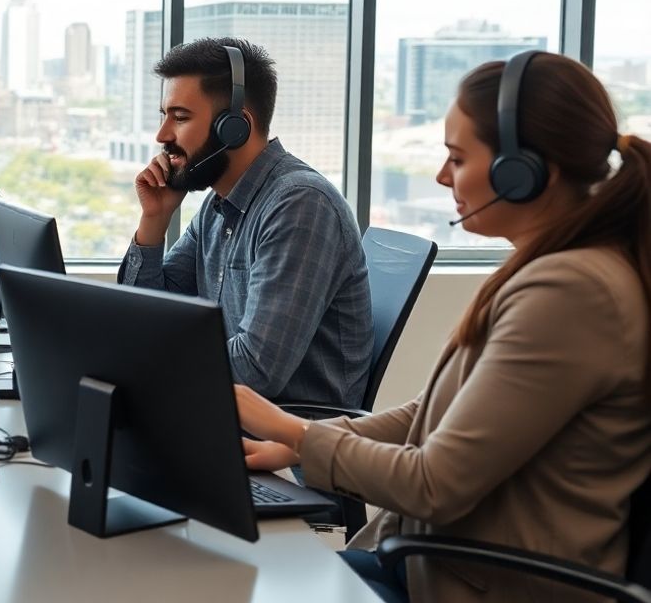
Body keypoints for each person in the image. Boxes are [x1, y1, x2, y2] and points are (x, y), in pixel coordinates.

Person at [235, 51, 651, 603]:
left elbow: (433, 484)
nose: (441, 176)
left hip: (476, 586)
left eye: (457, 157)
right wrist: (297, 442)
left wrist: (296, 433)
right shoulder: (547, 267)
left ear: (522, 174)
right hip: (432, 563)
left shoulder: (572, 294)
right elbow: (430, 413)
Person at [120, 37, 371, 408]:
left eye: (181, 117)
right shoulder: (218, 206)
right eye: (164, 115)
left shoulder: (299, 205)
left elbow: (257, 371)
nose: (162, 136)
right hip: (220, 413)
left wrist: (145, 366)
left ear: (234, 127)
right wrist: (154, 219)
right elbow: (144, 316)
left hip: (287, 443)